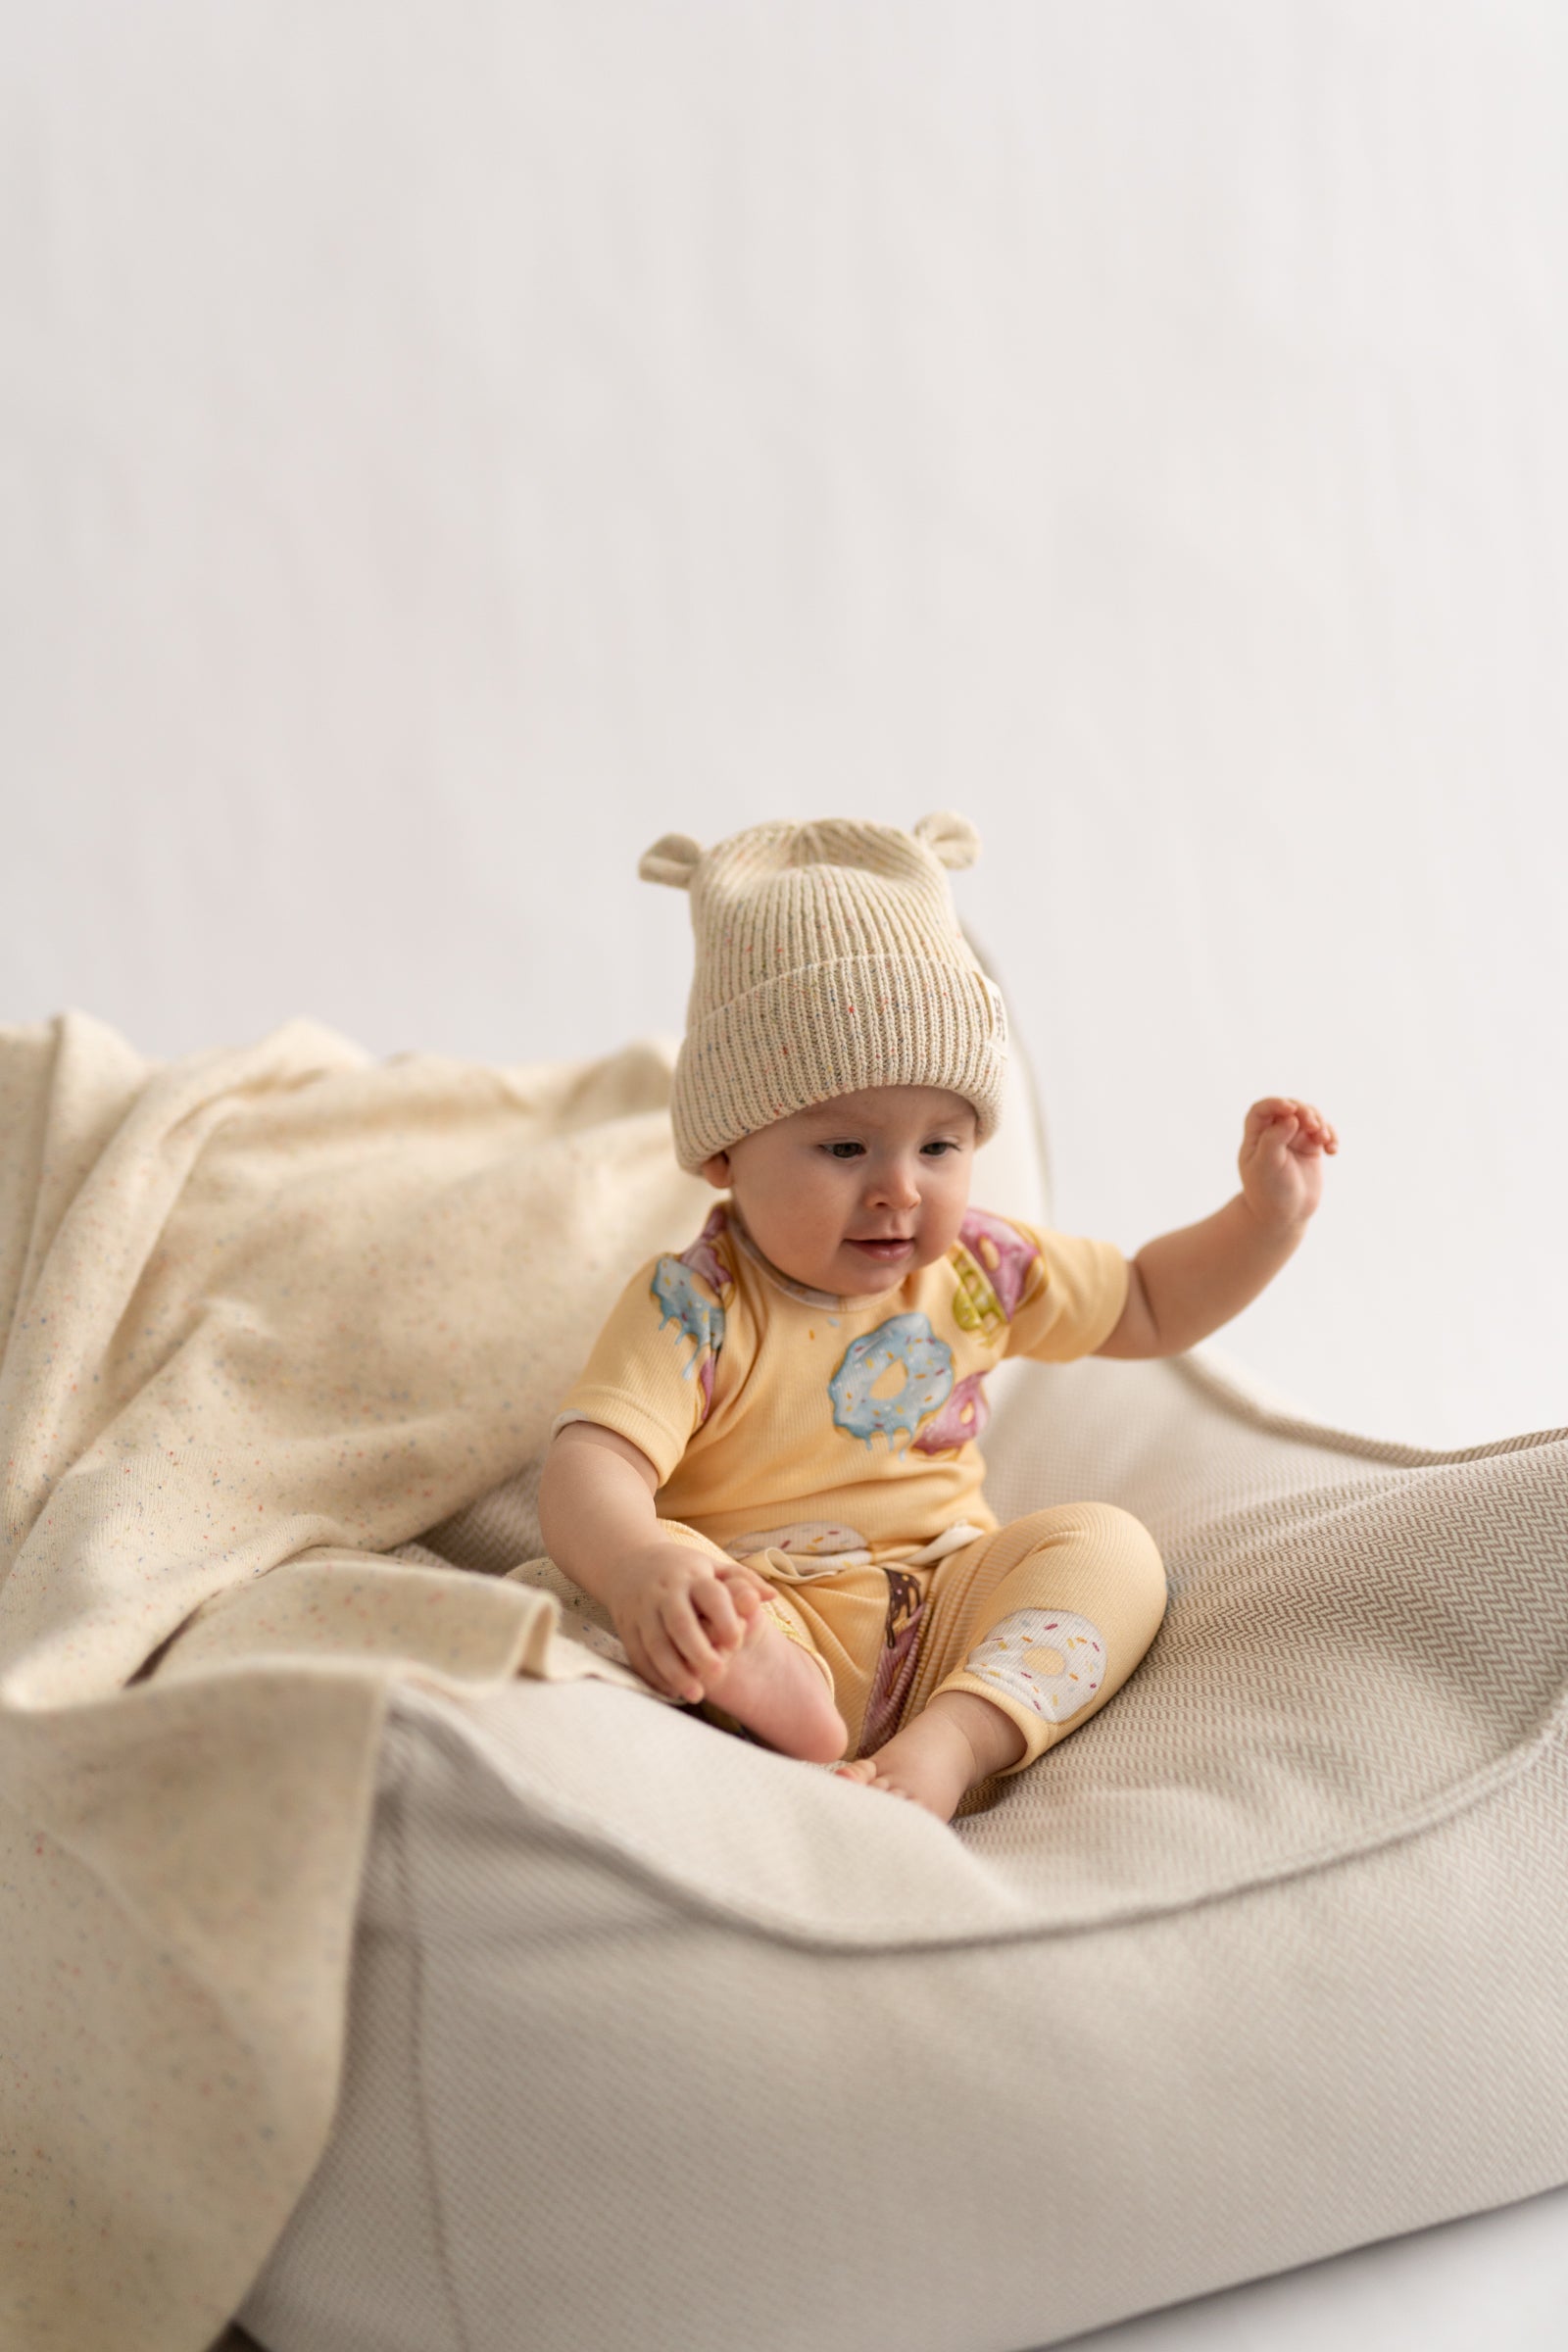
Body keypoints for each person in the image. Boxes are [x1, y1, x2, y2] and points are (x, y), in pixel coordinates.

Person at [537, 812, 1338, 1823]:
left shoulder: (977, 1271)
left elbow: (1144, 1301)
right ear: (725, 1154)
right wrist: (639, 1565)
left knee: (1110, 1549)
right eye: (844, 1149)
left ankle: (954, 1740)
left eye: (939, 1147)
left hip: (951, 1605)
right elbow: (591, 1462)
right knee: (682, 1604)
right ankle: (767, 1695)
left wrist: (1262, 1222)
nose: (900, 1190)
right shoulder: (694, 1305)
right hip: (770, 1604)